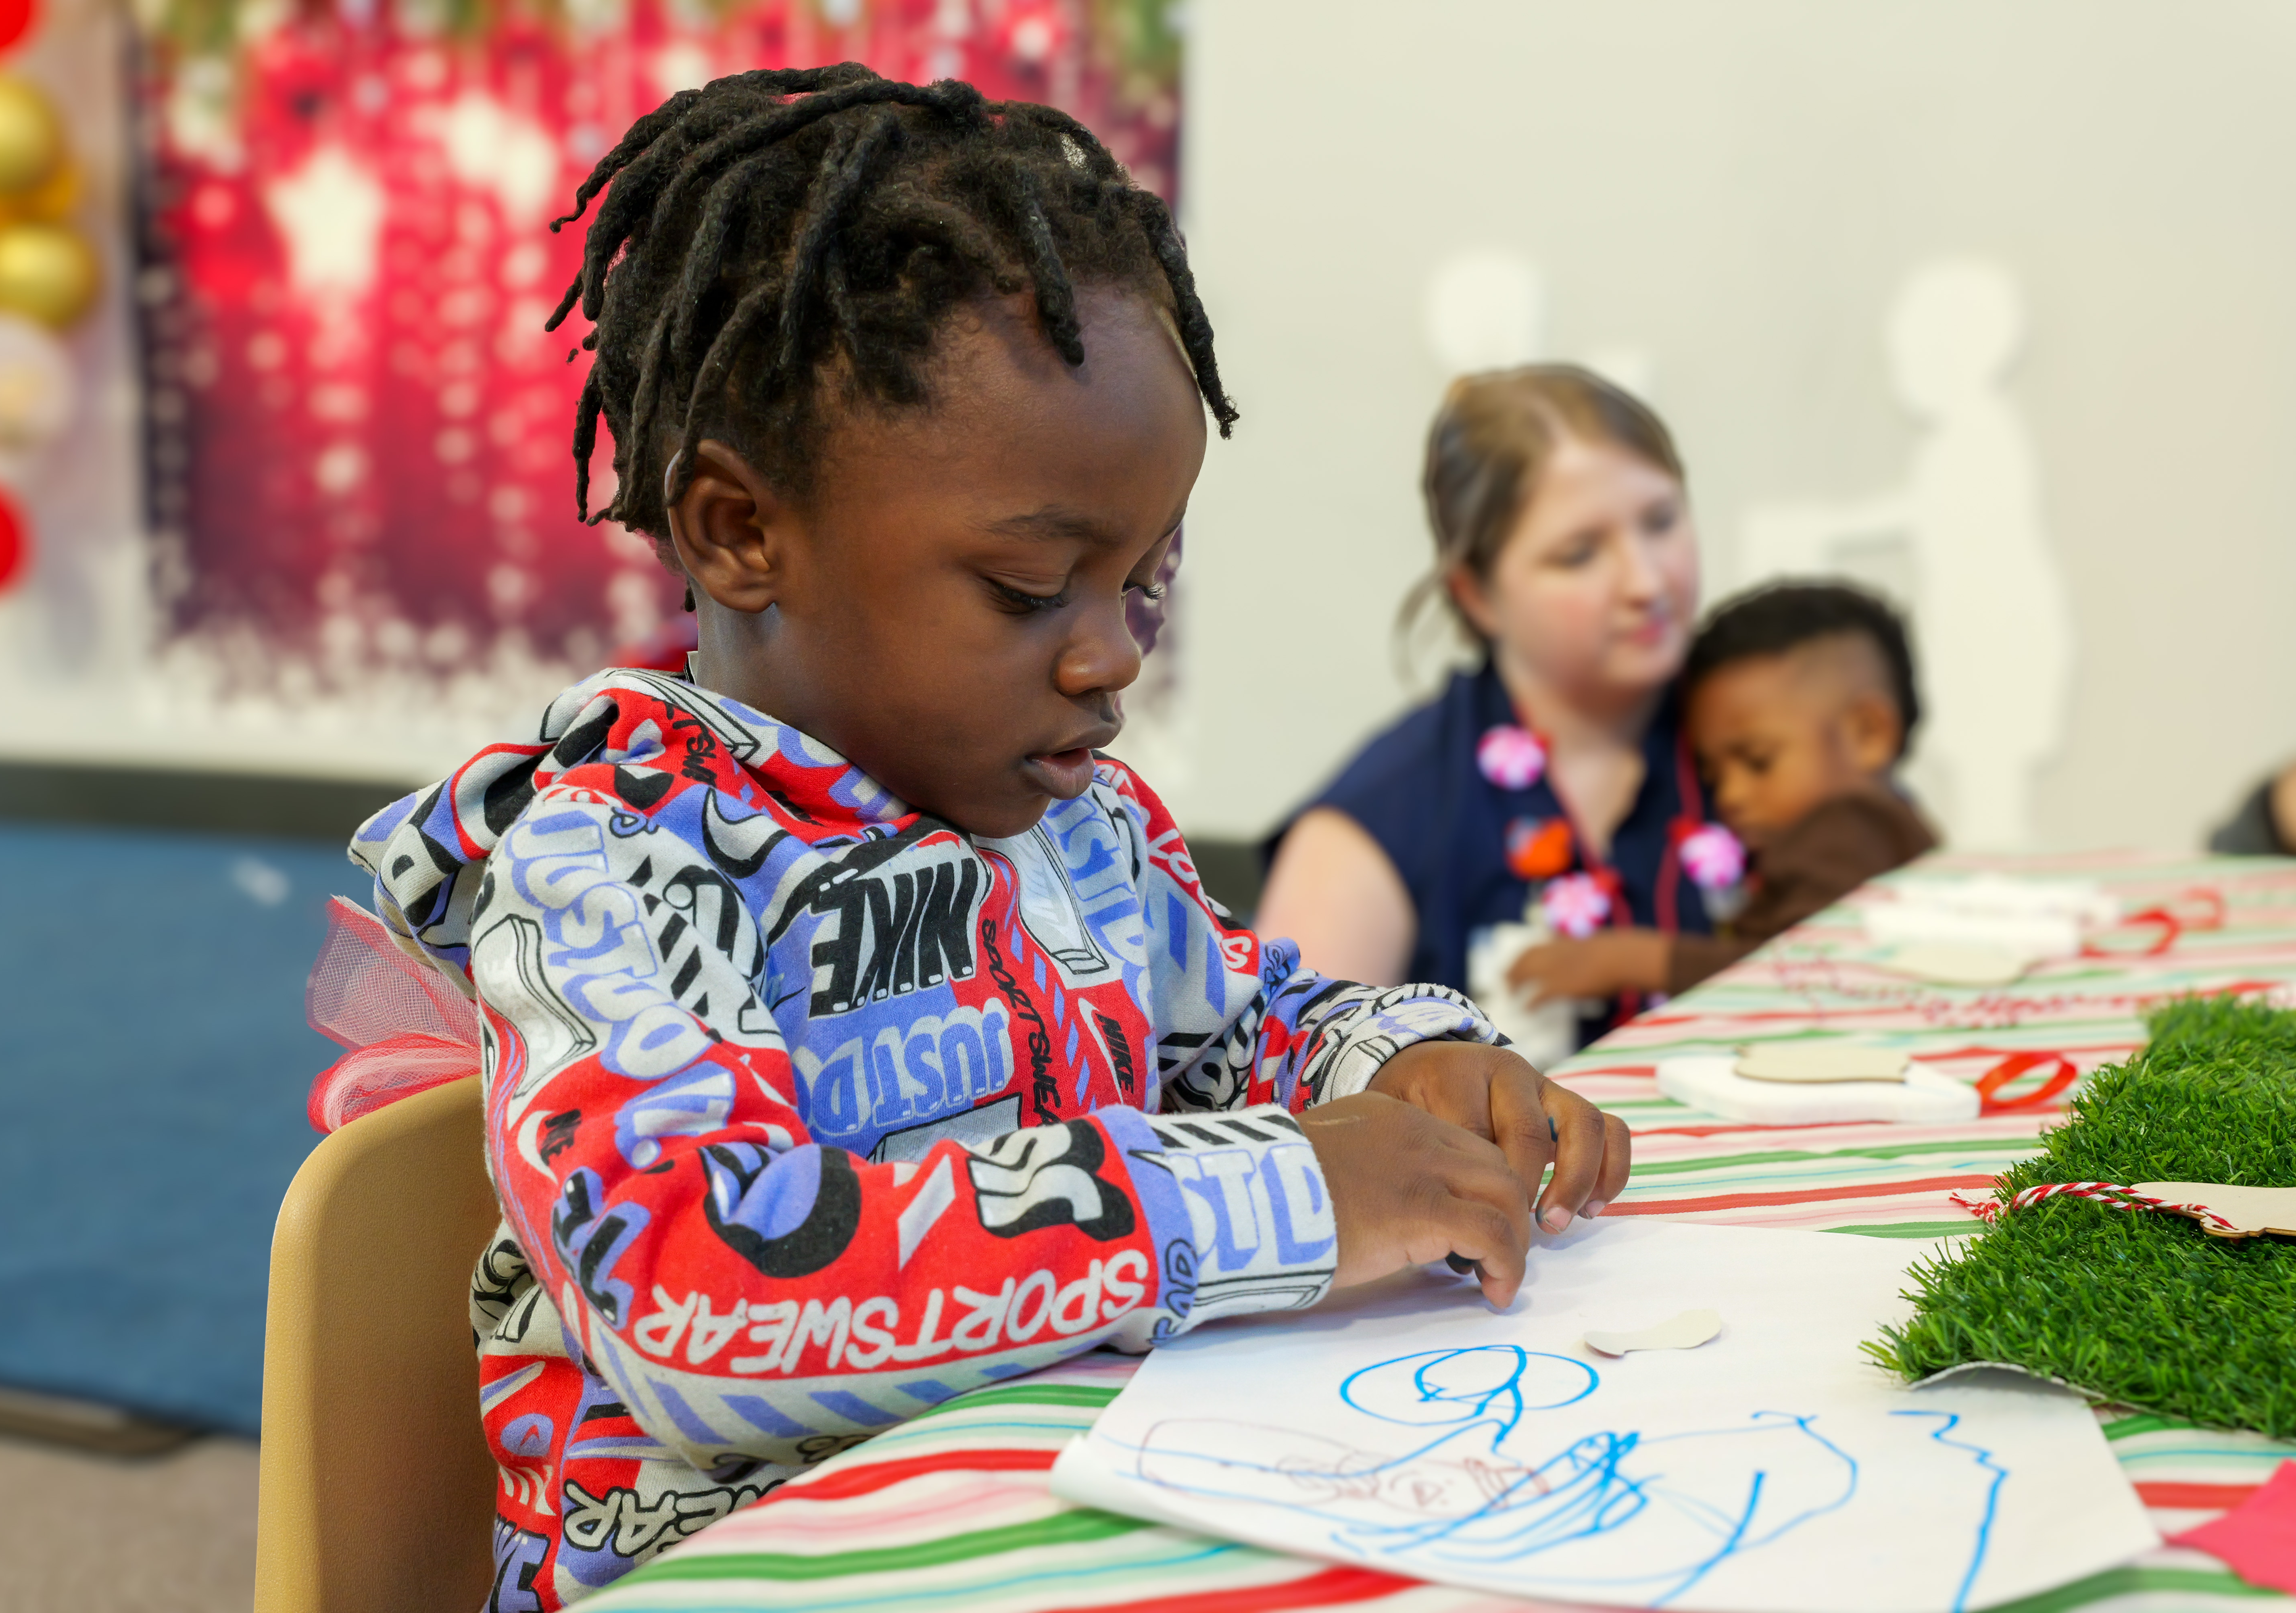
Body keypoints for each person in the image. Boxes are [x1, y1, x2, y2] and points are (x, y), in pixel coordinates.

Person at [345, 67, 1627, 1608]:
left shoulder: (1072, 815)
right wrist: (1282, 1192)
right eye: (1032, 592)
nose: (1112, 657)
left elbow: (1243, 1029)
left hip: (1057, 1507)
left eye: (1146, 579)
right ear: (739, 532)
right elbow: (689, 1288)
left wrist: (1398, 1067)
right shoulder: (614, 860)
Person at [1257, 366, 1732, 1065]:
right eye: (1579, 554)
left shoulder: (1768, 735)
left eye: (1661, 521)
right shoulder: (1378, 822)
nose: (1647, 581)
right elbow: (1292, 1108)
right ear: (1476, 593)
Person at [1508, 581, 1937, 1003]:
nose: (1730, 795)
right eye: (1713, 773)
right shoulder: (1874, 831)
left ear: (1868, 735)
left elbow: (1796, 973)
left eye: (1757, 760)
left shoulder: (1853, 826)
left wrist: (1631, 958)